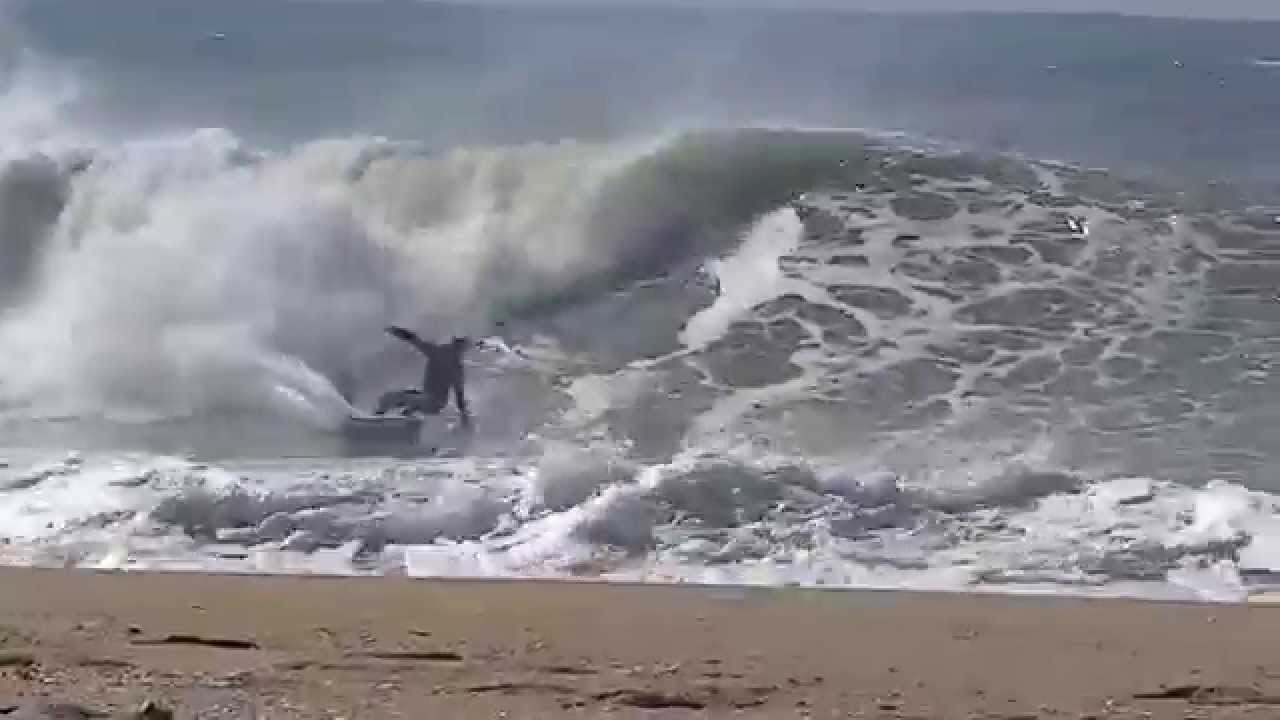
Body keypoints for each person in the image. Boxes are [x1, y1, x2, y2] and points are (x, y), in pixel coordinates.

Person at [374, 325, 471, 429]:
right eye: (458, 347)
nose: (459, 352)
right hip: (429, 399)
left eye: (461, 349)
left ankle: (378, 424)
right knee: (392, 399)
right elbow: (413, 339)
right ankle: (380, 423)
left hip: (433, 402)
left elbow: (460, 398)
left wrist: (465, 420)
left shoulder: (453, 365)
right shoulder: (439, 353)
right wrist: (395, 331)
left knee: (400, 399)